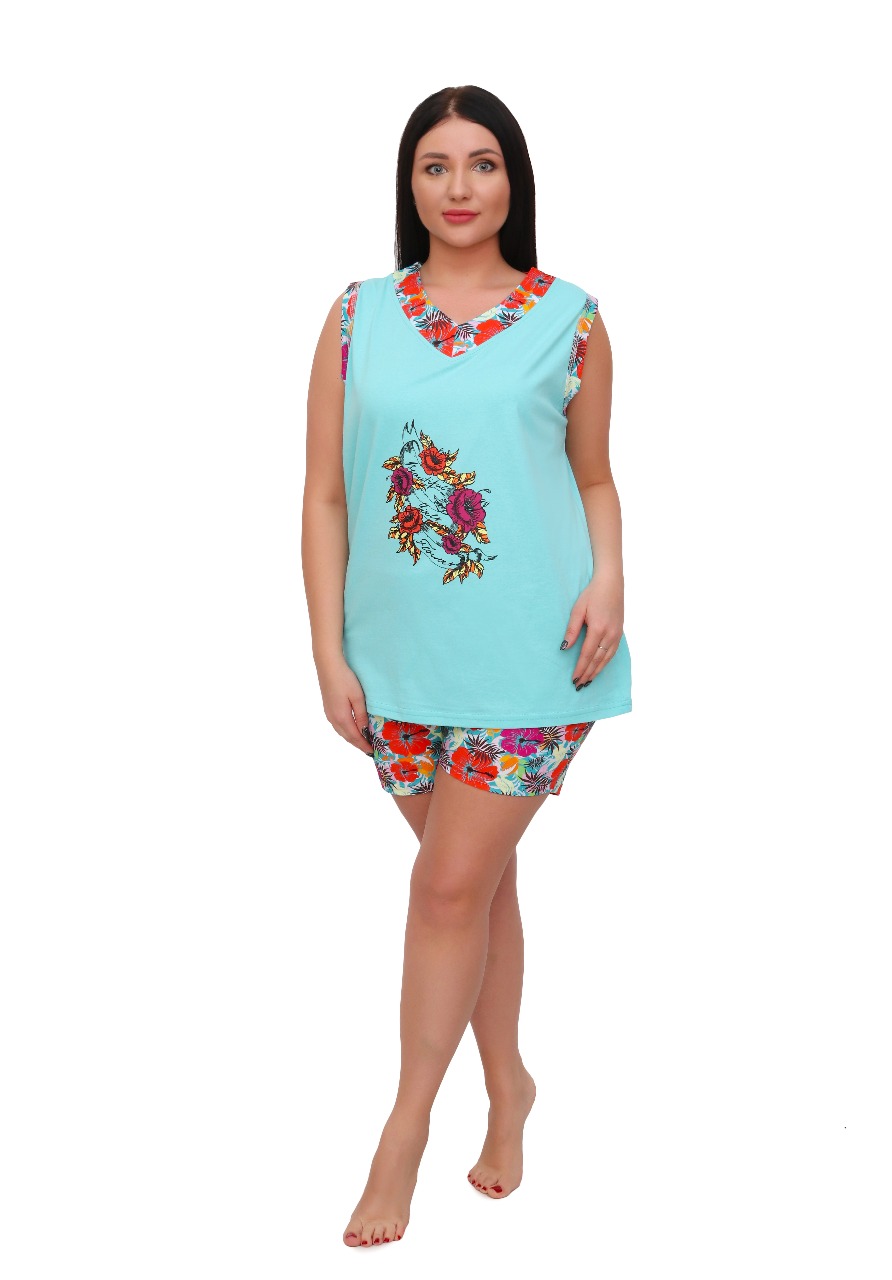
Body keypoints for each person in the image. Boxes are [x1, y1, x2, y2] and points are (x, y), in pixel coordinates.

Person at [302, 85, 632, 1248]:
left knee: (444, 889)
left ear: (512, 180)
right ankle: (510, 1084)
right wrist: (326, 647)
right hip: (394, 662)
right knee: (475, 889)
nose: (457, 187)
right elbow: (325, 494)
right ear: (409, 183)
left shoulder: (570, 318)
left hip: (535, 656)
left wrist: (609, 577)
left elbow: (592, 476)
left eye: (481, 163)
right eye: (434, 165)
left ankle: (402, 1129)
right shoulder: (355, 316)